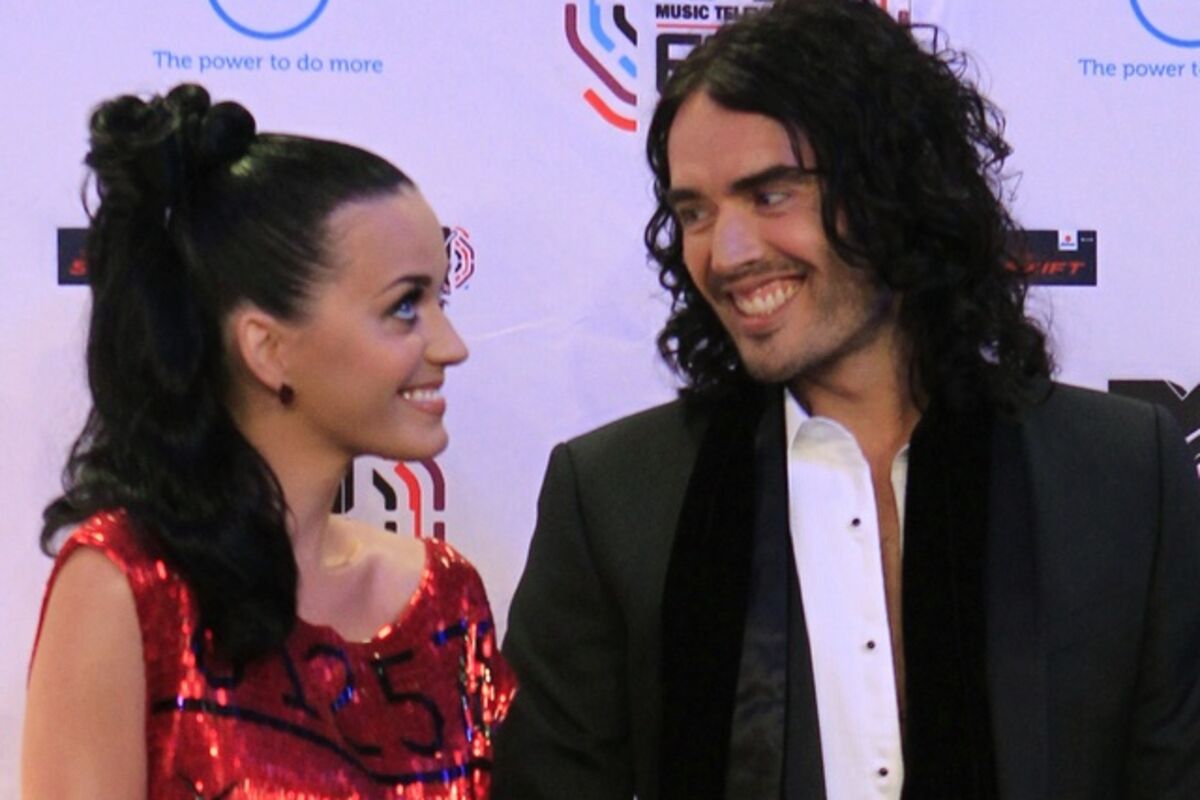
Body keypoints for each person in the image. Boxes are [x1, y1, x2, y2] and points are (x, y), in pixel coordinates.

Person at [492, 2, 1200, 799]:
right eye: (695, 212)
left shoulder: (1122, 475)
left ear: (894, 186)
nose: (725, 252)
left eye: (770, 195)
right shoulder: (616, 498)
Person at [21, 83, 515, 799]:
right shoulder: (127, 584)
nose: (451, 345)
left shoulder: (446, 596)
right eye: (405, 306)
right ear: (267, 348)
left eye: (441, 298)